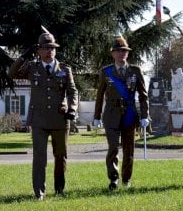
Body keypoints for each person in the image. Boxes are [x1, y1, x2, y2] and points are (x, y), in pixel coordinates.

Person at [8, 32, 78, 200]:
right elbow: (11, 73)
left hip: (60, 119)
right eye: (45, 48)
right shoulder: (32, 67)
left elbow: (72, 91)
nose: (49, 51)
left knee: (60, 156)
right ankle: (39, 192)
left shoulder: (64, 69)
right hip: (38, 119)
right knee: (39, 158)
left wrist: (72, 109)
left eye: (52, 48)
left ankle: (59, 189)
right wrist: (23, 56)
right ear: (39, 50)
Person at [93, 35, 149, 190]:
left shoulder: (135, 71)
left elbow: (144, 96)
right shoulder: (106, 72)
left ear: (127, 53)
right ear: (112, 54)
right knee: (113, 147)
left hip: (130, 114)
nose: (121, 54)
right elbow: (99, 95)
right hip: (111, 114)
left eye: (124, 51)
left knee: (129, 150)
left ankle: (126, 179)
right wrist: (96, 116)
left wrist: (145, 116)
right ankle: (113, 178)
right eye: (118, 51)